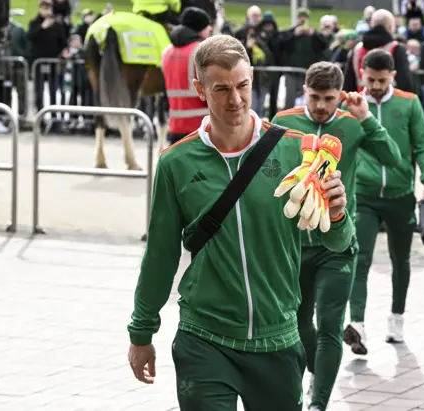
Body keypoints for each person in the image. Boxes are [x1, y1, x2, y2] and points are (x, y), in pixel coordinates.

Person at [127, 34, 354, 411]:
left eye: (243, 86)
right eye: (221, 89)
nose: (235, 99)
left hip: (277, 339)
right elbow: (160, 255)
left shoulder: (295, 149)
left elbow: (337, 242)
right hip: (204, 338)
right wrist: (141, 331)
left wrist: (337, 213)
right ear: (199, 89)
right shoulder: (176, 163)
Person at [271, 61, 402, 411]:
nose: (321, 106)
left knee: (329, 325)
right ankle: (317, 370)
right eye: (314, 97)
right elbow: (265, 168)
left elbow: (394, 157)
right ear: (304, 92)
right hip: (295, 244)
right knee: (298, 324)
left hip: (338, 244)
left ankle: (318, 404)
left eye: (329, 98)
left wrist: (366, 119)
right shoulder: (285, 121)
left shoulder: (350, 124)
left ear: (340, 96)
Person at [343, 49, 424, 354]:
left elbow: (422, 145)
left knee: (401, 259)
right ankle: (357, 324)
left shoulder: (409, 103)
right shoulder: (353, 105)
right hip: (365, 195)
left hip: (400, 195)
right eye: (370, 80)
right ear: (362, 73)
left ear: (393, 77)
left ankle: (397, 316)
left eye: (382, 80)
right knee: (360, 257)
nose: (376, 86)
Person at [161, 7, 212, 145]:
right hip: (200, 130)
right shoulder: (201, 51)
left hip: (175, 128)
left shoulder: (166, 52)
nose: (210, 31)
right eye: (208, 27)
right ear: (200, 29)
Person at [343, 9, 413, 94]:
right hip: (389, 101)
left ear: (371, 25)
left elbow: (348, 80)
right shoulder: (396, 48)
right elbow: (405, 80)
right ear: (391, 27)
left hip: (361, 101)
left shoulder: (357, 49)